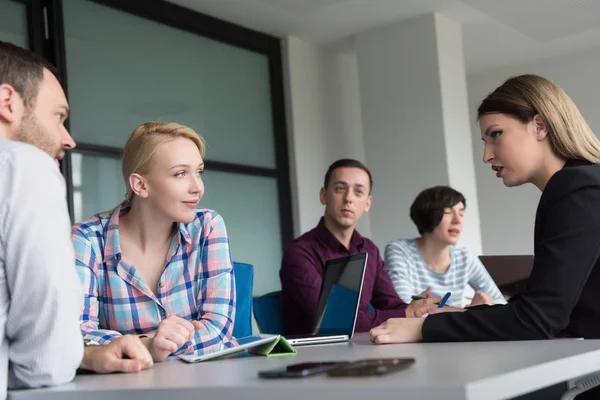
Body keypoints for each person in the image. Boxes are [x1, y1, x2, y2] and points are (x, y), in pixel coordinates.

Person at [371, 74, 600, 348]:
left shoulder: (575, 188)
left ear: (539, 126)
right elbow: (544, 311)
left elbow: (537, 319)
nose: (486, 155)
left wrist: (425, 327)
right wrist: (462, 314)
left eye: (495, 134)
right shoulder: (581, 185)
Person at [0, 40, 152, 398]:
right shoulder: (22, 165)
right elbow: (47, 364)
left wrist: (83, 354)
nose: (67, 140)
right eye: (58, 116)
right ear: (7, 102)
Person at [72, 121, 236, 362]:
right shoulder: (87, 240)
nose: (198, 187)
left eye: (198, 172)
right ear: (140, 185)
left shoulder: (208, 226)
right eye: (180, 174)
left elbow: (219, 330)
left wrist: (137, 345)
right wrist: (148, 344)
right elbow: (78, 335)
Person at [280, 159, 438, 335]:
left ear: (367, 203)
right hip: (315, 356)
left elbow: (391, 304)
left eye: (358, 192)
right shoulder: (299, 253)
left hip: (363, 349)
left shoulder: (368, 249)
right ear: (324, 195)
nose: (348, 198)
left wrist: (416, 309)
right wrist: (403, 313)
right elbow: (333, 320)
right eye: (340, 188)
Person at [385, 186, 505, 308]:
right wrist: (467, 311)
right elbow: (403, 309)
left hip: (454, 326)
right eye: (447, 212)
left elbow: (501, 303)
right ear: (428, 215)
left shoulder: (464, 258)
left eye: (461, 213)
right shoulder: (400, 251)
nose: (457, 220)